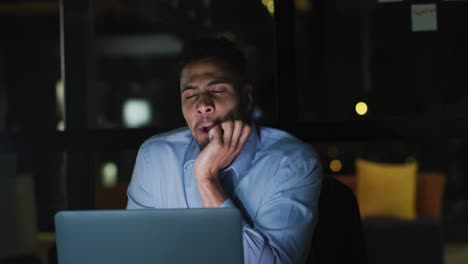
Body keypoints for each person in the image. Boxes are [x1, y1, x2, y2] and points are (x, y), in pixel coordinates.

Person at [127, 36, 322, 264]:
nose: (202, 105)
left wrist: (207, 180)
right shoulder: (155, 158)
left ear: (246, 97)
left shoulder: (292, 163)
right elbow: (136, 253)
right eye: (190, 95)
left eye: (217, 90)